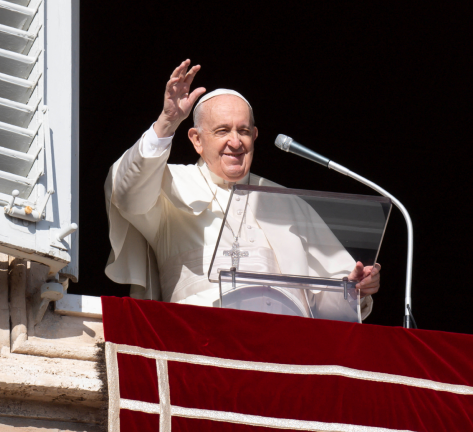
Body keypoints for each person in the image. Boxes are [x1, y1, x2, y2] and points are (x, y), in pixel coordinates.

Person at [104, 59, 380, 321]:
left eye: (244, 131)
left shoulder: (289, 202)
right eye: (222, 131)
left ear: (255, 136)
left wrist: (352, 289)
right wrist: (167, 122)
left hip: (286, 340)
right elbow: (126, 194)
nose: (235, 142)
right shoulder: (168, 183)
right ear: (197, 139)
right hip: (198, 335)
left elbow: (322, 306)